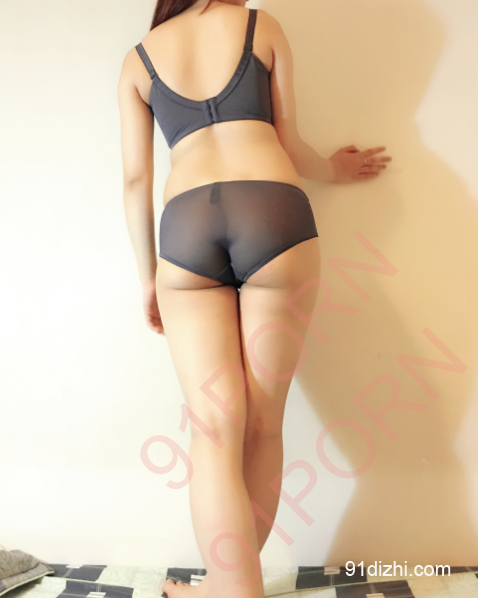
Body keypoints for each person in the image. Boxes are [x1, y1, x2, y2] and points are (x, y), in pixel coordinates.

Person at [118, 1, 391, 596]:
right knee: (263, 424)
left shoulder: (138, 62)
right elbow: (289, 143)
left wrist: (148, 276)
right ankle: (231, 587)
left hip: (186, 225)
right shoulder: (260, 27)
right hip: (273, 212)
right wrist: (335, 171)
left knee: (214, 430)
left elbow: (136, 180)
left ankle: (226, 587)